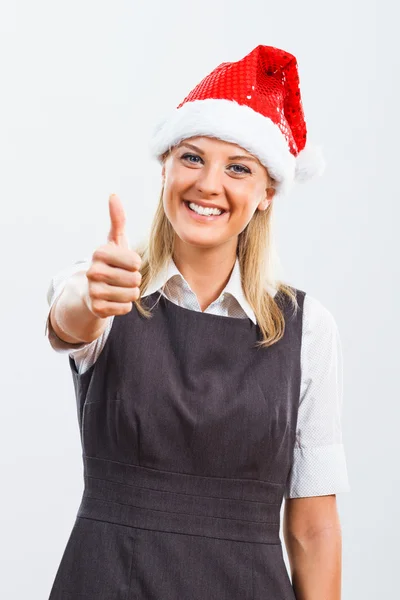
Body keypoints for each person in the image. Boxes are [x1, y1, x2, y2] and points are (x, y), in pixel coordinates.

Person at [45, 45, 350, 599]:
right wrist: (88, 297)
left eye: (238, 168)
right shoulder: (107, 286)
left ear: (267, 194)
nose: (209, 184)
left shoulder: (309, 329)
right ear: (164, 167)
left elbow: (313, 527)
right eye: (191, 158)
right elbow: (68, 320)